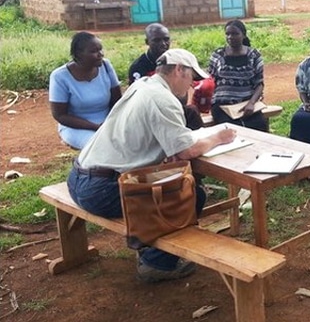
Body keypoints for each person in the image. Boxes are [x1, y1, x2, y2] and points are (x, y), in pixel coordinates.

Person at [67, 49, 237, 282]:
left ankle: (149, 246)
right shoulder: (162, 98)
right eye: (191, 79)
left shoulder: (144, 85)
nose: (191, 87)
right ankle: (156, 263)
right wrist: (219, 137)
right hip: (101, 189)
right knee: (191, 195)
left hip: (79, 178)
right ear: (179, 70)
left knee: (173, 186)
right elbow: (186, 151)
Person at [49, 31, 122, 149]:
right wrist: (96, 127)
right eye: (94, 51)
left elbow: (117, 101)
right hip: (77, 127)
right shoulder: (59, 76)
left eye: (100, 49)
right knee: (101, 147)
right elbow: (60, 115)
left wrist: (112, 122)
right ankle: (81, 167)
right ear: (78, 54)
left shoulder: (106, 66)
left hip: (108, 122)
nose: (100, 54)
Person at [128, 23, 204, 130]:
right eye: (157, 40)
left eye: (166, 39)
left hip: (173, 105)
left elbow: (183, 96)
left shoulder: (175, 60)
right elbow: (139, 99)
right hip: (151, 111)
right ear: (147, 42)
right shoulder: (139, 67)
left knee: (192, 112)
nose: (163, 44)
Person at [209, 20, 268, 131]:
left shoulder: (254, 55)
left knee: (259, 127)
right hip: (222, 106)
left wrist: (251, 103)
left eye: (235, 34)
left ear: (244, 35)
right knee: (231, 130)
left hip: (246, 103)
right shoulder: (217, 55)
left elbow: (259, 84)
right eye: (228, 34)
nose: (230, 37)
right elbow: (210, 81)